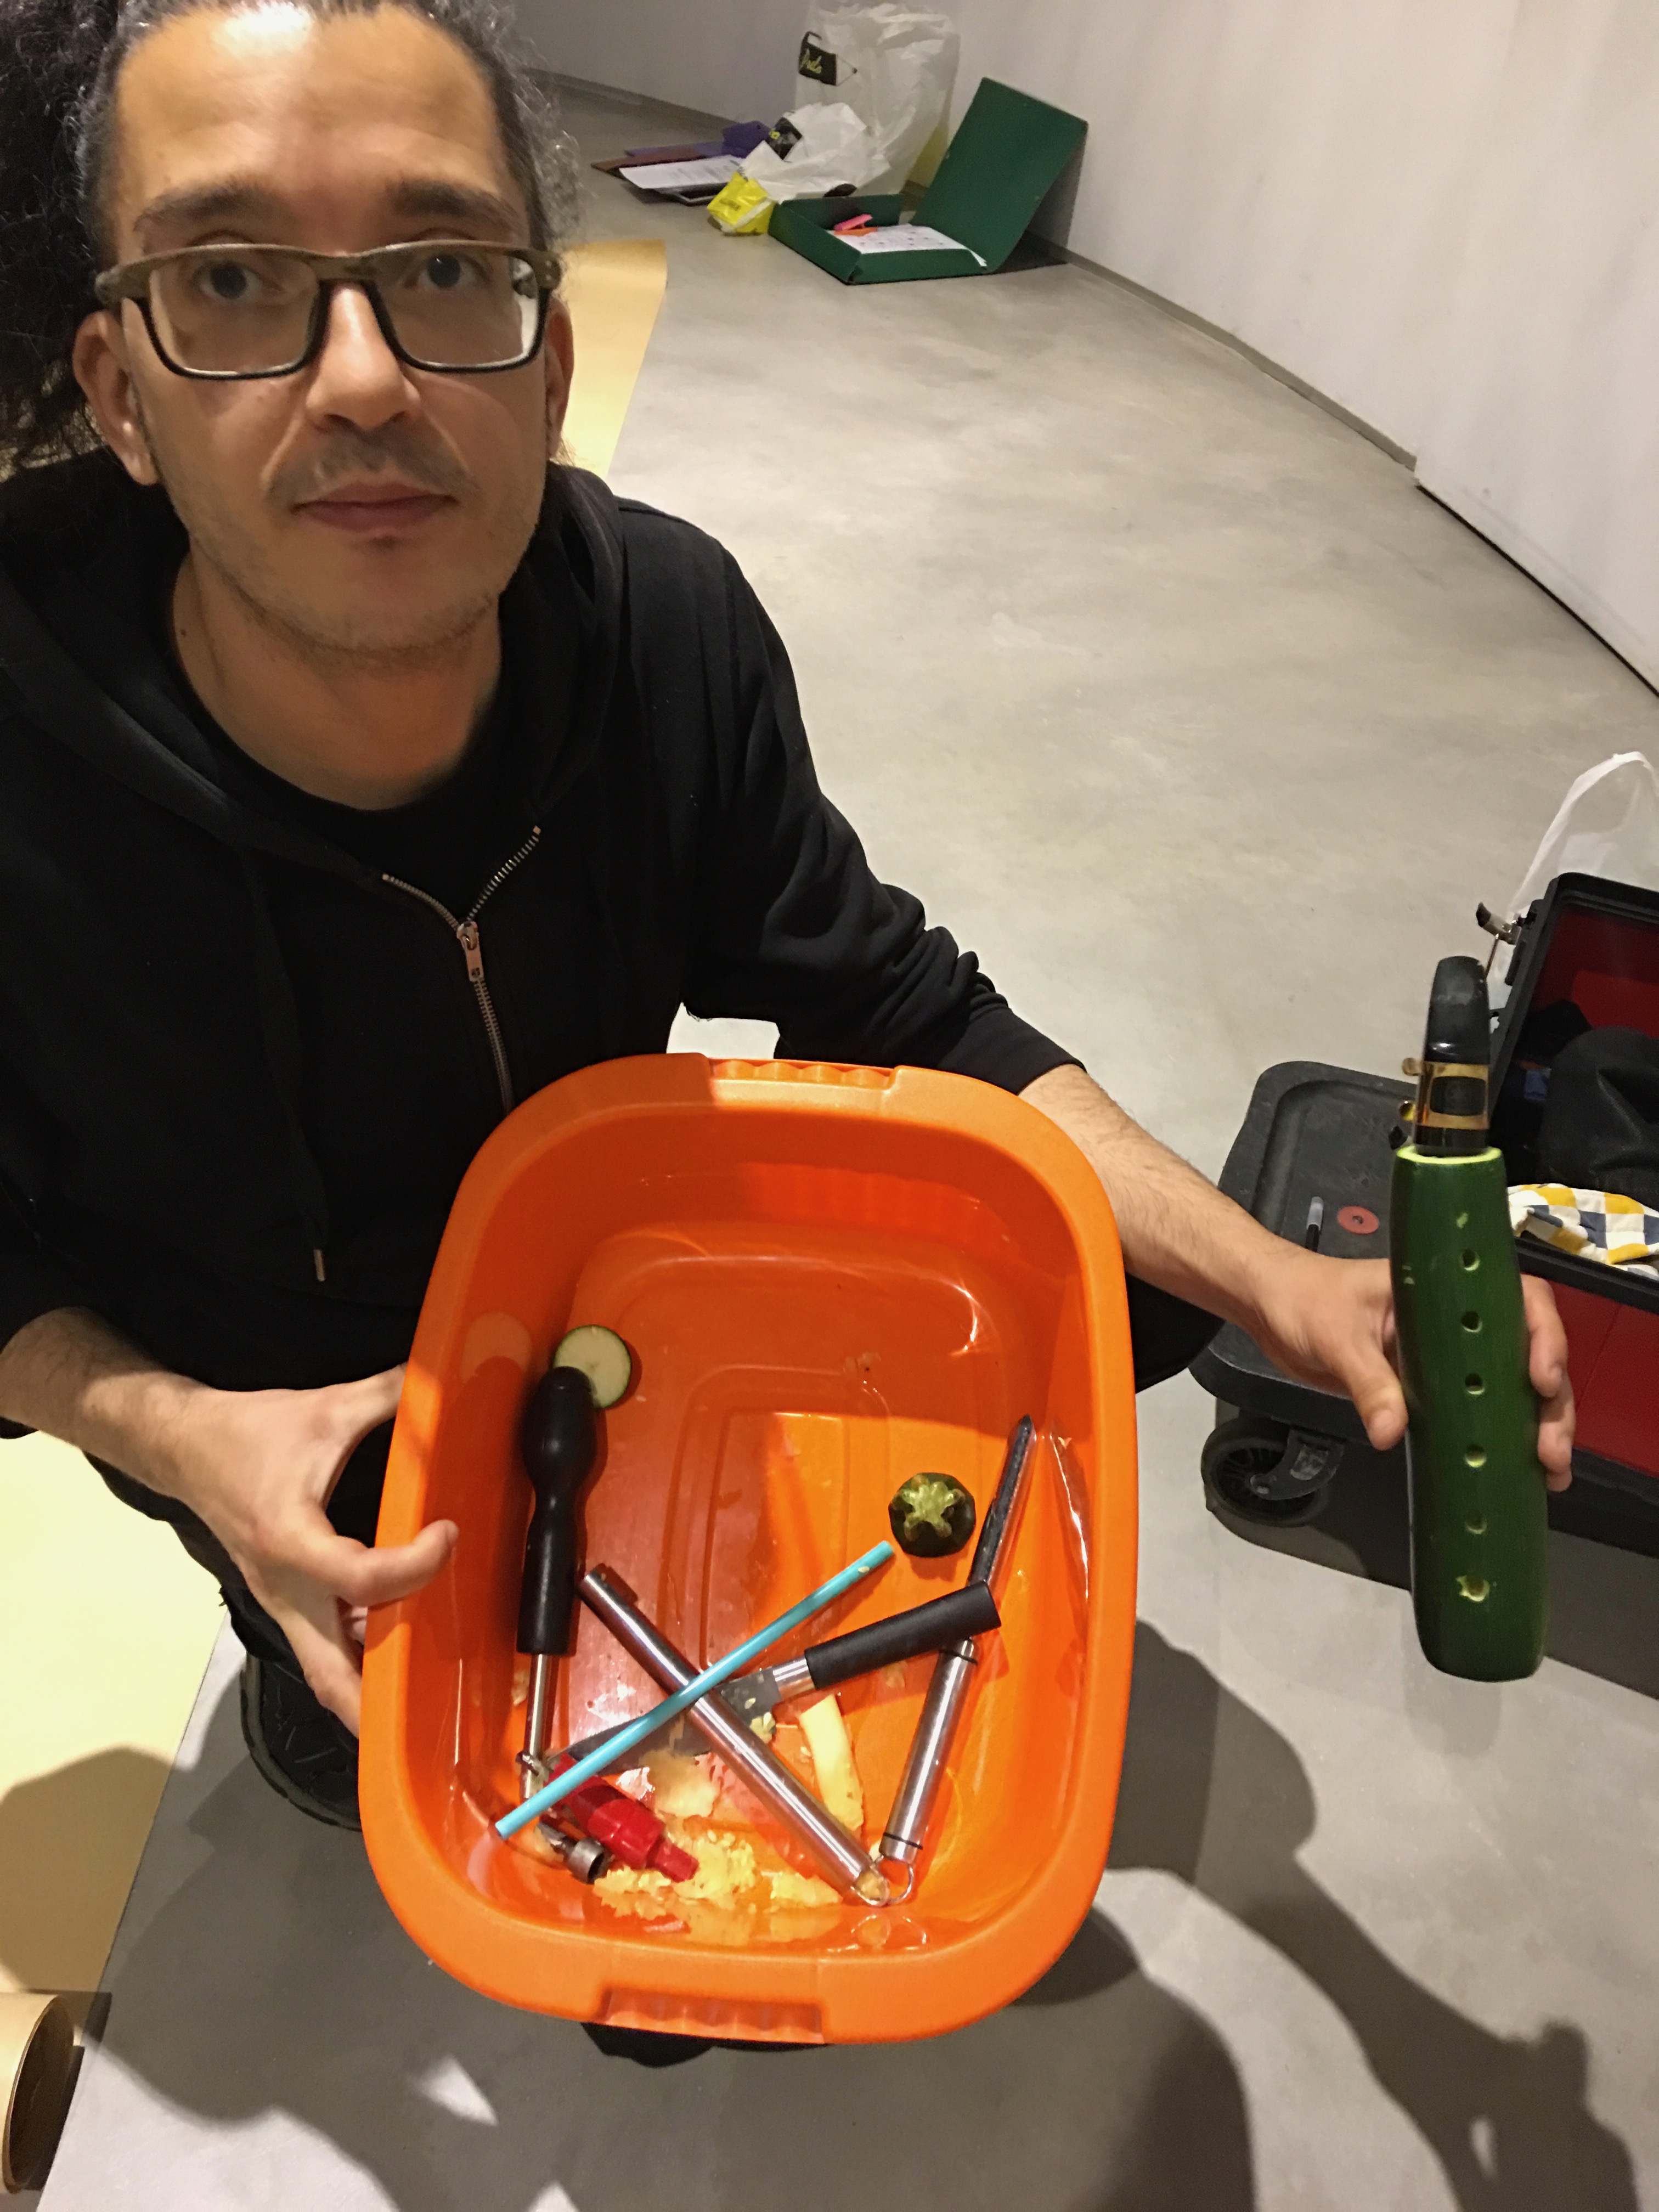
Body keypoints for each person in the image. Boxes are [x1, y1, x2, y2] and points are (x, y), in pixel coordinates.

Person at [0, 0, 1573, 1829]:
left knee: (1108, 1276)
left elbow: (905, 1009)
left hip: (611, 1306)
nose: (363, 379)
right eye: (232, 283)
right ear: (118, 392)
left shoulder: (665, 633)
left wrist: (1272, 1280)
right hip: (266, 1381)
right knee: (380, 1696)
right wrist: (178, 1435)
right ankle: (296, 1652)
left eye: (440, 269)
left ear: (549, 363)